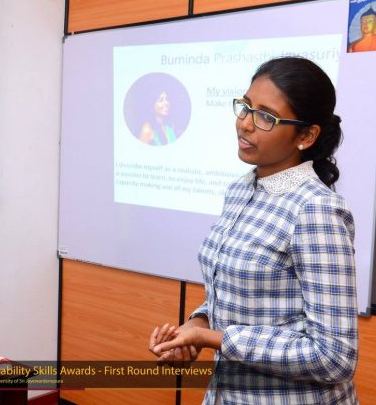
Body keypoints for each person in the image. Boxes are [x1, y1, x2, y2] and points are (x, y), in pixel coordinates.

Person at [149, 57, 359, 404]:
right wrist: (197, 326)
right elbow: (243, 295)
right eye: (245, 107)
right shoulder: (240, 190)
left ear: (306, 135)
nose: (245, 123)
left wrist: (215, 339)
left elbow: (334, 357)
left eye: (266, 117)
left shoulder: (315, 209)